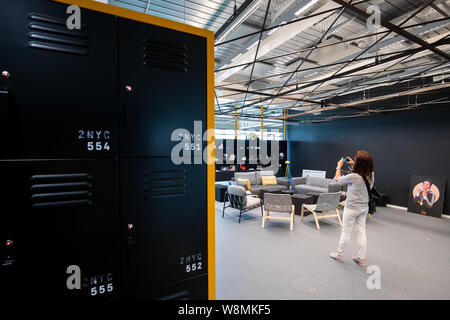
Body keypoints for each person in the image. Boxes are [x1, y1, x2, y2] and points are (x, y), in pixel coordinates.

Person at [329, 150, 374, 267]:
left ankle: (339, 254)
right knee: (361, 232)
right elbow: (361, 172)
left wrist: (338, 166)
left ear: (359, 164)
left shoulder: (353, 177)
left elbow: (336, 179)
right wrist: (354, 163)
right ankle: (360, 257)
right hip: (364, 208)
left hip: (351, 208)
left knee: (346, 231)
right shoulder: (371, 175)